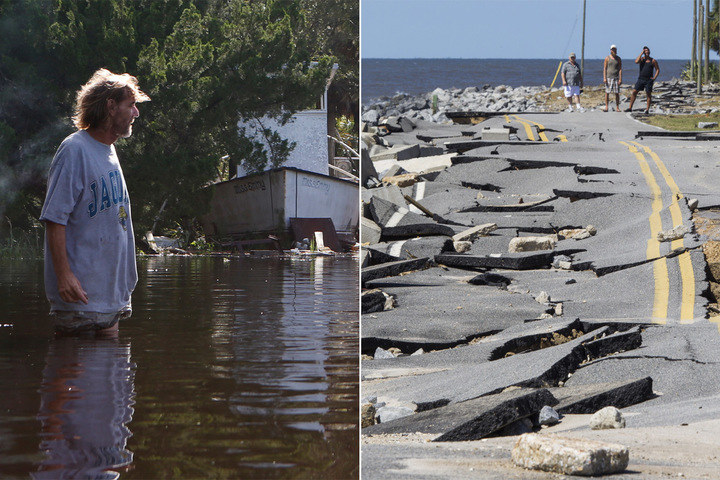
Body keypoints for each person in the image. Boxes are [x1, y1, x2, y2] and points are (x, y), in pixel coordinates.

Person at [39, 69, 150, 335]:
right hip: (81, 300)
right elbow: (55, 219)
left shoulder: (109, 149)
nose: (136, 113)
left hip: (110, 299)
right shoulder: (74, 149)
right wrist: (64, 276)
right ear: (111, 107)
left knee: (112, 370)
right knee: (73, 368)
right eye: (131, 105)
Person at [626, 46, 659, 114]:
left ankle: (647, 110)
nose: (647, 52)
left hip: (649, 80)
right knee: (634, 92)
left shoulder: (653, 60)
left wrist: (654, 78)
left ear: (649, 52)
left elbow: (658, 70)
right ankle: (630, 108)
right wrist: (641, 53)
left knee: (648, 94)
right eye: (645, 51)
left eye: (647, 50)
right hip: (641, 79)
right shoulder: (642, 59)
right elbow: (636, 61)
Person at [603, 45, 623, 112]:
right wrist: (604, 78)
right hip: (609, 77)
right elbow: (605, 68)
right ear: (610, 50)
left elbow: (620, 69)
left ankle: (617, 107)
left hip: (616, 78)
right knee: (607, 93)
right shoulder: (607, 58)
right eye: (612, 49)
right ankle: (606, 107)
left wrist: (620, 79)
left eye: (614, 49)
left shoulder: (618, 59)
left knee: (617, 93)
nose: (613, 51)